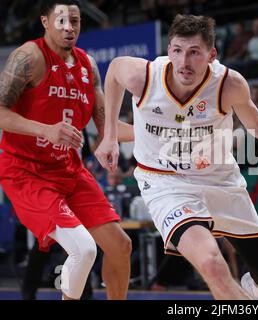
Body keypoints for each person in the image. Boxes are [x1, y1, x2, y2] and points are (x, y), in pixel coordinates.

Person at [96, 14, 258, 300]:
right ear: (168, 50)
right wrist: (110, 135)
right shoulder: (142, 76)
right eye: (177, 51)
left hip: (221, 180)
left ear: (211, 54)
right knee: (212, 264)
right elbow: (115, 70)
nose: (183, 62)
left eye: (194, 53)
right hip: (167, 184)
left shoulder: (229, 84)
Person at [0, 0, 134, 300]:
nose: (69, 27)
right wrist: (44, 128)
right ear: (45, 22)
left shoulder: (87, 65)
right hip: (26, 171)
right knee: (84, 249)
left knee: (121, 246)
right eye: (61, 20)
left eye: (74, 20)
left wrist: (160, 133)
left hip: (69, 170)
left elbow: (107, 127)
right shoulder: (29, 57)